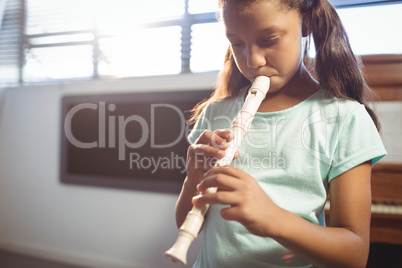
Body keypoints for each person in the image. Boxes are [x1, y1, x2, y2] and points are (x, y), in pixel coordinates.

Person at [174, 0, 386, 267]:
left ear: (306, 22)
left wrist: (272, 218)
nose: (253, 61)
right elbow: (185, 223)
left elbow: (354, 256)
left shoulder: (344, 119)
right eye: (237, 43)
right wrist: (192, 181)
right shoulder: (216, 112)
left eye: (269, 39)